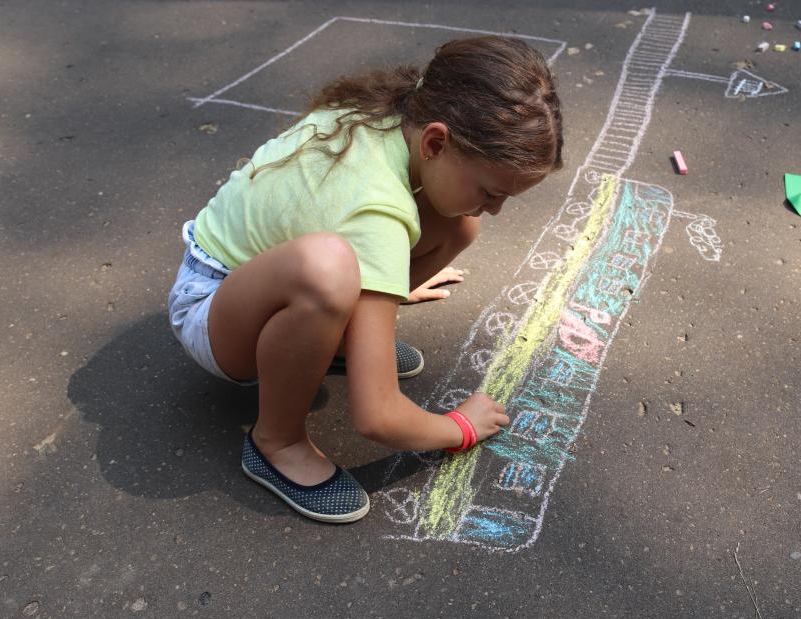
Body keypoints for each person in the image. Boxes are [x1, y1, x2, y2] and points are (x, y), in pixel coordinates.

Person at [167, 35, 564, 523]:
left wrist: (388, 280)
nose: (496, 209)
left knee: (459, 223)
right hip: (211, 306)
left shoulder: (394, 114)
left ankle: (335, 334)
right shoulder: (375, 210)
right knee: (326, 269)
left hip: (260, 281)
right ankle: (277, 442)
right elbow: (377, 416)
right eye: (490, 191)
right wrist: (459, 428)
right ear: (435, 142)